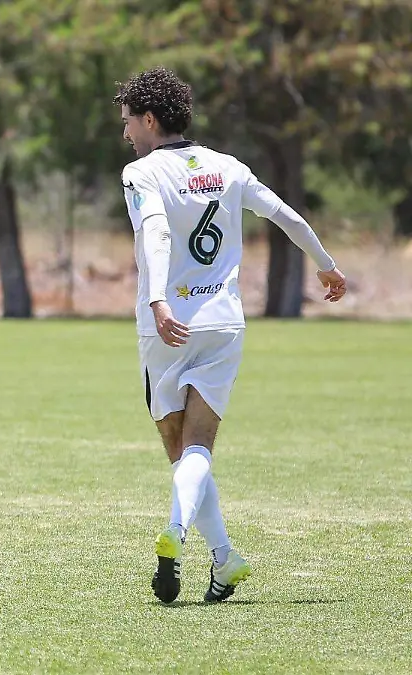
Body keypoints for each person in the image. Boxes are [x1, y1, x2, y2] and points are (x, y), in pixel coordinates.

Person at [115, 67, 348, 604]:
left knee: (181, 447)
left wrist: (157, 299)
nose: (126, 134)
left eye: (129, 123)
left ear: (150, 120)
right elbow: (285, 215)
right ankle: (225, 559)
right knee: (194, 448)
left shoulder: (143, 173)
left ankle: (174, 530)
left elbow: (153, 230)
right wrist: (326, 265)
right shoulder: (226, 166)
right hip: (223, 323)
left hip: (166, 325)